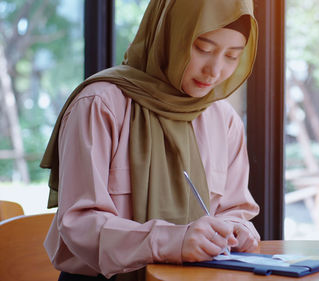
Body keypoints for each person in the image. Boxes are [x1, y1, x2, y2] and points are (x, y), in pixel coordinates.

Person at [40, 0, 260, 280]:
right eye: (203, 49)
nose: (214, 70)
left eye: (232, 56)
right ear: (169, 36)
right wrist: (172, 241)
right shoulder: (101, 105)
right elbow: (78, 223)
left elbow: (234, 209)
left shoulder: (224, 119)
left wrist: (235, 230)